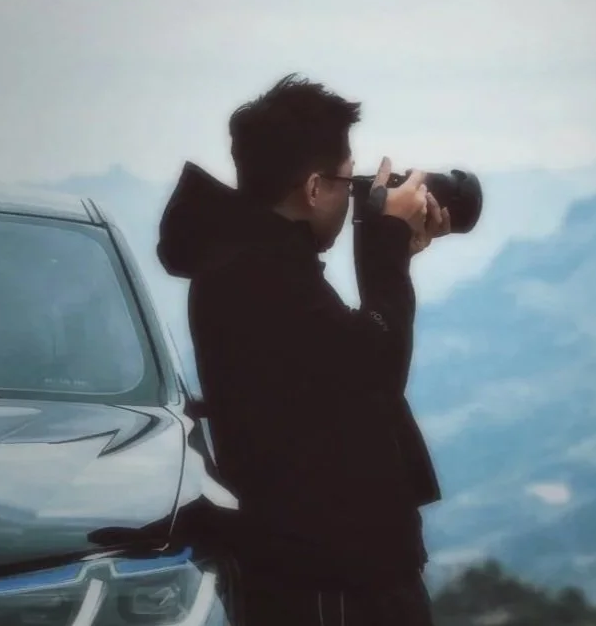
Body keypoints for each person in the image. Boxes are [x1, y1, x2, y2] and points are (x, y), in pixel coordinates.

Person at [156, 73, 450, 625]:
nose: (353, 195)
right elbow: (376, 370)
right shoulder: (258, 274)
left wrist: (389, 247)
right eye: (348, 182)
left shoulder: (248, 261)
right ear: (314, 189)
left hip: (325, 573)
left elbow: (343, 364)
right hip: (328, 586)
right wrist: (386, 248)